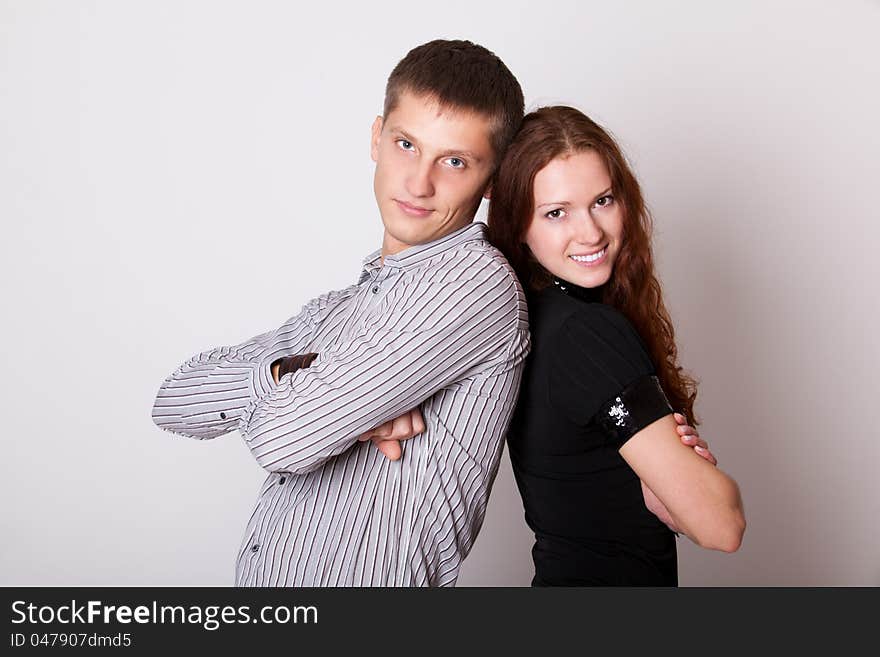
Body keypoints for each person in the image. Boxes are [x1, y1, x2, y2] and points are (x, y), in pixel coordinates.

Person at [151, 39, 529, 586]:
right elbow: (173, 400)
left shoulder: (474, 284)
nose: (420, 183)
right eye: (406, 144)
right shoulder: (335, 310)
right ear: (377, 138)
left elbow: (283, 440)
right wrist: (289, 375)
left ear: (492, 180)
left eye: (454, 161)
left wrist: (313, 407)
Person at [487, 106, 746, 586]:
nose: (590, 232)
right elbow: (722, 526)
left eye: (602, 201)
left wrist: (669, 488)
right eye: (556, 213)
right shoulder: (586, 335)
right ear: (518, 224)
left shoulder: (531, 318)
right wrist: (685, 487)